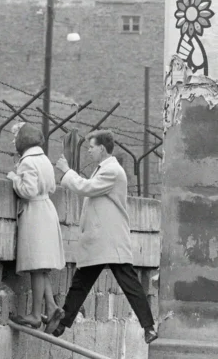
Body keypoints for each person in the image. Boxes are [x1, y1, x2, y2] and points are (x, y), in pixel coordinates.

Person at [46, 129, 158, 344]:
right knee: (81, 282)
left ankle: (148, 327)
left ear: (102, 149)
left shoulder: (112, 171)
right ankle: (61, 325)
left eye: (91, 147)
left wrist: (67, 171)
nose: (88, 151)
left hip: (110, 240)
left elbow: (85, 188)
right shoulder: (104, 169)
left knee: (129, 284)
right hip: (101, 240)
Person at [6, 122, 66, 329]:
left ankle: (35, 314)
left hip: (35, 214)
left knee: (36, 266)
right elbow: (51, 187)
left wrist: (14, 178)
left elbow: (28, 191)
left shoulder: (27, 162)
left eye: (15, 137)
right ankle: (51, 307)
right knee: (41, 267)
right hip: (47, 210)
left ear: (23, 140)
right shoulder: (44, 160)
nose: (13, 141)